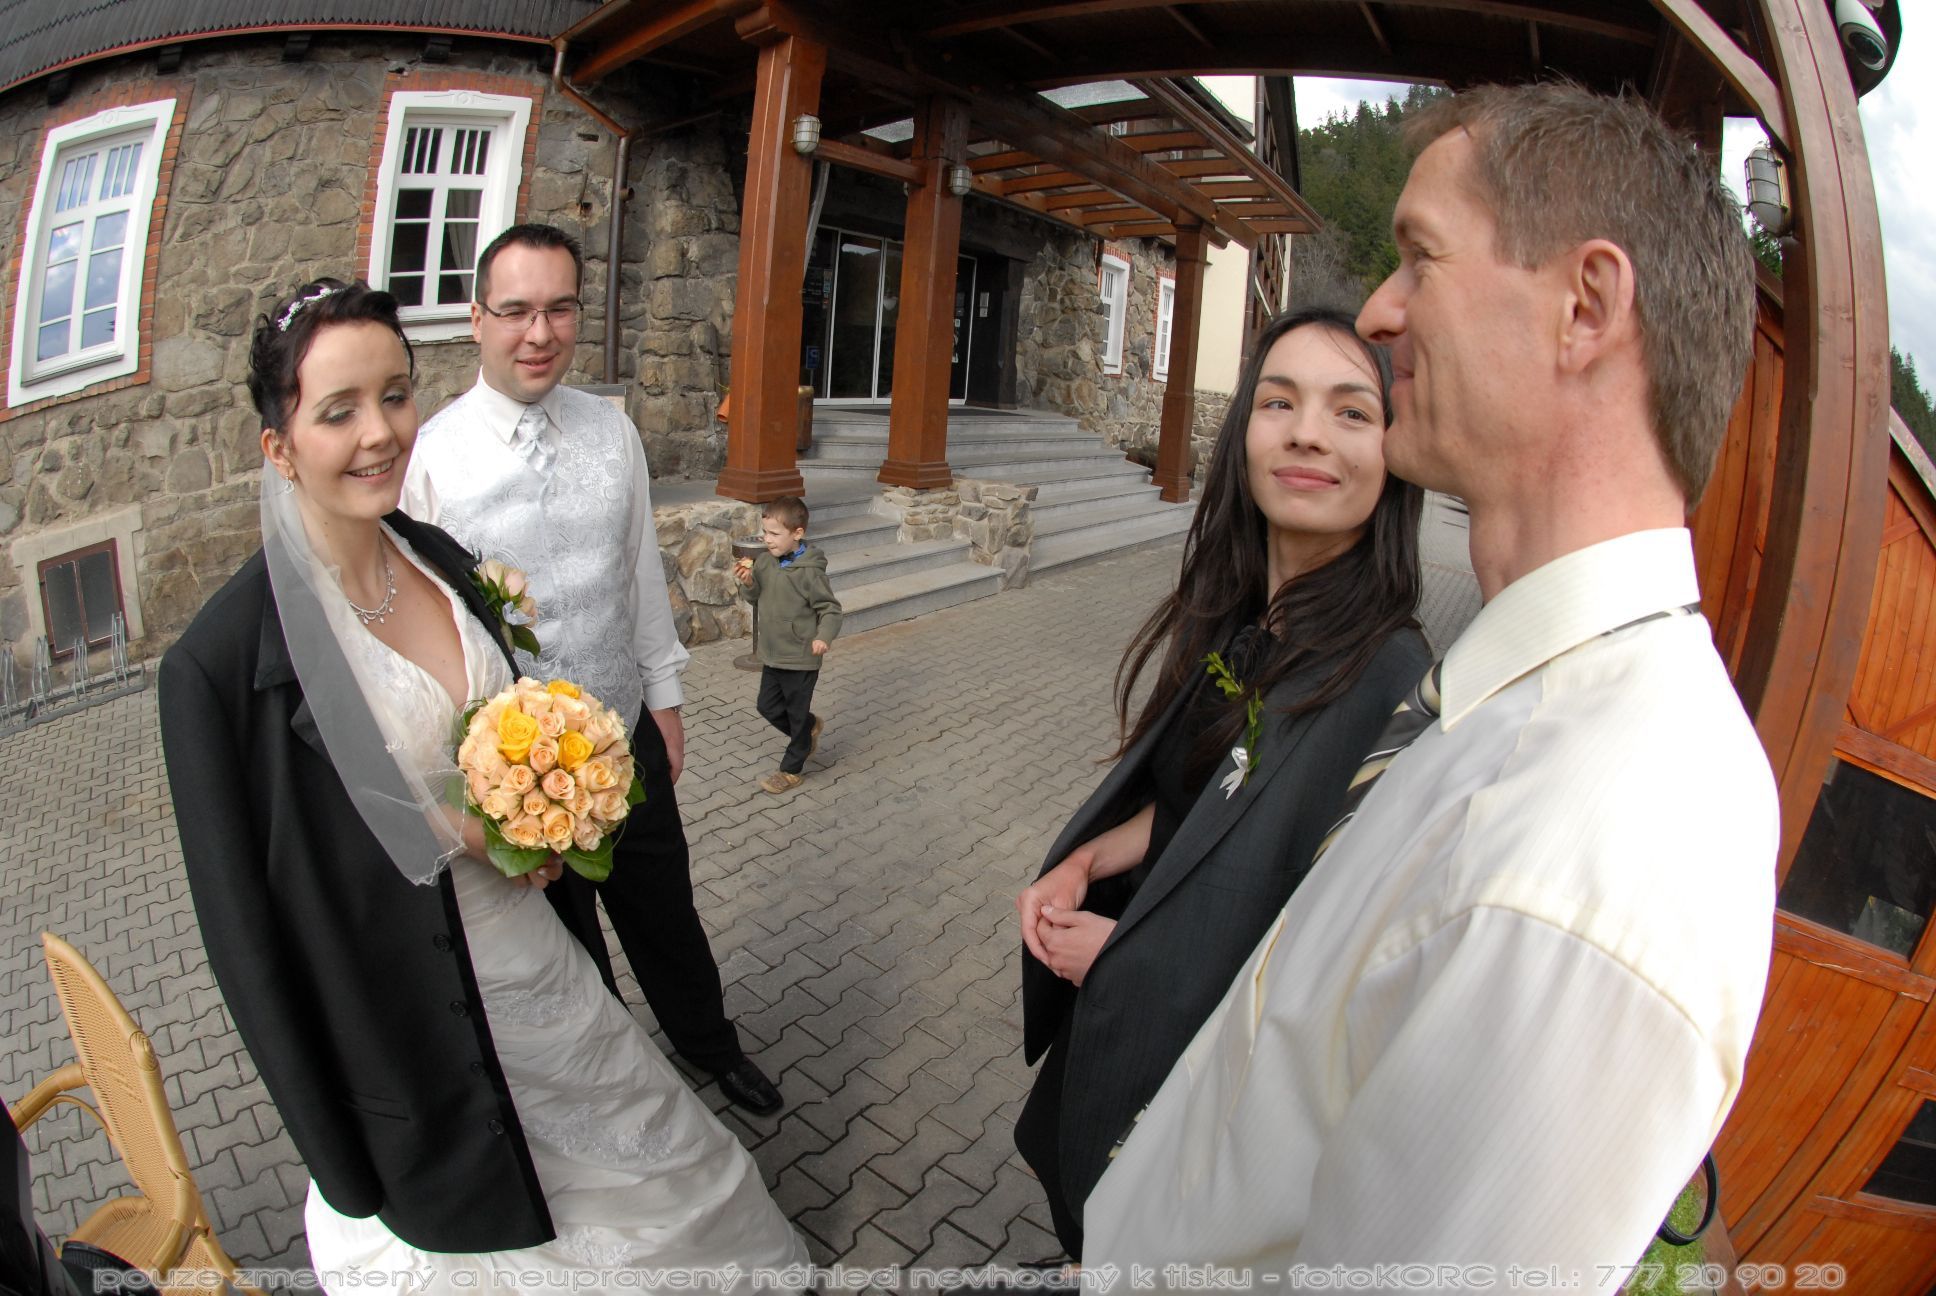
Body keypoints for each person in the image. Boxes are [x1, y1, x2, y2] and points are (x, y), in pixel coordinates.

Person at [1083, 83, 1776, 1279]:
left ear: (1584, 308)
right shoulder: (1510, 699)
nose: (1378, 309)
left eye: (1419, 257)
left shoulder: (1593, 862)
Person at [158, 280, 805, 1286]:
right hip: (411, 1012)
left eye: (395, 395)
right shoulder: (217, 668)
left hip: (529, 956)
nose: (380, 433)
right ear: (278, 445)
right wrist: (339, 1158)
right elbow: (247, 942)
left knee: (643, 1156)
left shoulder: (438, 557)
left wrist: (535, 821)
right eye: (338, 411)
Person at [1013, 306, 1430, 1258]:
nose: (1307, 433)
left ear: (1395, 452)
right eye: (1279, 402)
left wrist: (1129, 958)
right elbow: (1210, 804)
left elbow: (1332, 968)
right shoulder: (1244, 618)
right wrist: (1086, 861)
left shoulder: (1392, 687)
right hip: (1126, 1040)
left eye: (1351, 411)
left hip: (1210, 1112)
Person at [400, 223, 782, 1117]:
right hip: (518, 768)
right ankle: (620, 1085)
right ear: (477, 319)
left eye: (561, 308)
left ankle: (709, 1045)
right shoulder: (430, 461)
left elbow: (638, 569)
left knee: (666, 913)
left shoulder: (612, 431)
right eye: (517, 311)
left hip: (623, 735)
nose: (540, 333)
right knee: (570, 946)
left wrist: (665, 697)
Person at [734, 495, 843, 794]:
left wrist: (823, 636)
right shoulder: (764, 563)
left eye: (774, 534)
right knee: (766, 706)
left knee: (795, 713)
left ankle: (791, 769)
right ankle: (808, 728)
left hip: (801, 656)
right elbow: (755, 598)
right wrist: (748, 582)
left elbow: (830, 609)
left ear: (798, 533)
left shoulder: (810, 572)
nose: (767, 539)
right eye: (765, 532)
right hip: (772, 654)